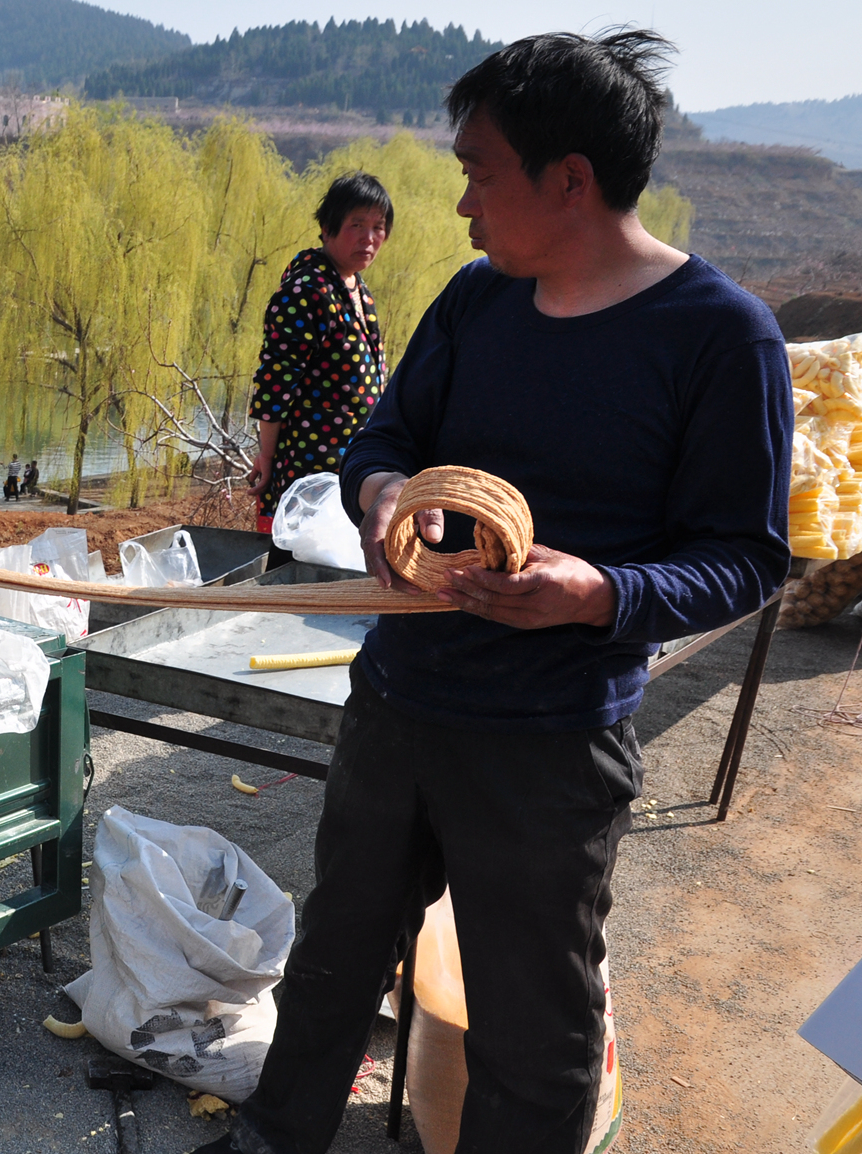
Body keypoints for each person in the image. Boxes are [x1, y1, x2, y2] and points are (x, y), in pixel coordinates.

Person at [200, 30, 790, 1154]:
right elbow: (388, 435)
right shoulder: (476, 303)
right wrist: (381, 496)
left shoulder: (721, 339)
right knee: (332, 959)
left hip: (549, 744)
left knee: (534, 1026)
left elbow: (747, 558)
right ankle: (274, 1138)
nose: (461, 203)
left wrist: (598, 592)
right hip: (403, 703)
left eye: (478, 172)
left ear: (571, 180)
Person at [246, 174, 392, 534]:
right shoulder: (305, 291)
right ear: (327, 228)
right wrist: (268, 455)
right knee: (302, 566)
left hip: (350, 462)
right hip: (309, 462)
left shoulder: (356, 287)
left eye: (378, 227)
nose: (369, 238)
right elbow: (274, 384)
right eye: (357, 225)